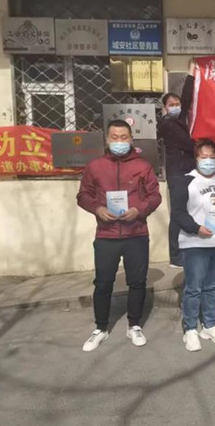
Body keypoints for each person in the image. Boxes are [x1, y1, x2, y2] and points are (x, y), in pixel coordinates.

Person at [77, 119, 162, 352]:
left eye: (124, 137)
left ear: (131, 139)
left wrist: (139, 210)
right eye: (114, 137)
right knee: (103, 282)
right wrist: (97, 208)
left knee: (137, 282)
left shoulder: (142, 166)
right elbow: (83, 195)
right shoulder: (95, 166)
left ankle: (134, 325)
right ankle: (100, 328)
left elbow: (155, 196)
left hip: (136, 233)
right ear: (107, 139)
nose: (119, 141)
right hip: (107, 235)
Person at [172, 138, 215, 352]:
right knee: (194, 288)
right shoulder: (186, 181)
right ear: (196, 158)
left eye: (212, 157)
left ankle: (209, 325)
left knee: (212, 286)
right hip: (195, 243)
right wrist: (196, 228)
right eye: (204, 156)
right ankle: (190, 328)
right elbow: (178, 213)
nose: (208, 161)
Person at [157, 60, 197, 268]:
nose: (176, 106)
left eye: (176, 103)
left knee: (191, 210)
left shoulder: (180, 119)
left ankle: (189, 248)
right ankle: (176, 256)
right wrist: (204, 143)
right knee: (178, 213)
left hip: (189, 171)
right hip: (177, 173)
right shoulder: (167, 124)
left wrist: (191, 74)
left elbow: (187, 98)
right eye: (171, 104)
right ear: (165, 108)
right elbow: (187, 143)